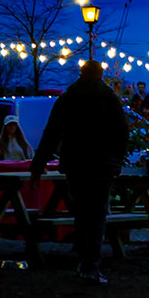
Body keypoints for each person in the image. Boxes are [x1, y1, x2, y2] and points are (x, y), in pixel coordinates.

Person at [31, 59, 132, 283]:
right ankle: (91, 265)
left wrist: (38, 166)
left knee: (82, 212)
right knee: (97, 214)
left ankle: (83, 261)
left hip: (76, 162)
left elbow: (51, 133)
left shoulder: (68, 98)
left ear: (81, 73)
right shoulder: (109, 99)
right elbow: (122, 133)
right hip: (103, 165)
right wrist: (116, 160)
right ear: (100, 75)